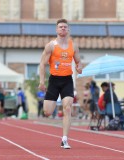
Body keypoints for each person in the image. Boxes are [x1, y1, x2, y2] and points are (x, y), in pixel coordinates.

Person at [38, 19, 82, 149]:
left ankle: (65, 139)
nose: (63, 28)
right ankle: (48, 108)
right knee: (47, 111)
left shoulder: (73, 46)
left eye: (65, 27)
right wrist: (42, 81)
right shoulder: (51, 46)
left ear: (68, 30)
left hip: (67, 80)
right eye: (60, 27)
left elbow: (78, 62)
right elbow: (42, 64)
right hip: (54, 80)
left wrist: (79, 68)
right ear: (56, 30)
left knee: (67, 107)